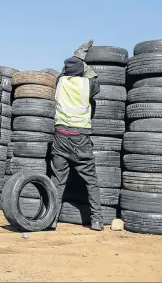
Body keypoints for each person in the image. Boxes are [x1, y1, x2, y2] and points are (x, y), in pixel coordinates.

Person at [49, 56, 104, 231]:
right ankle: (96, 221)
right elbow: (96, 82)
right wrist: (85, 63)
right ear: (81, 70)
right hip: (80, 137)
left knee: (57, 182)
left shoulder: (60, 82)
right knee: (91, 181)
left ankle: (51, 220)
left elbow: (63, 73)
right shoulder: (88, 85)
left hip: (60, 136)